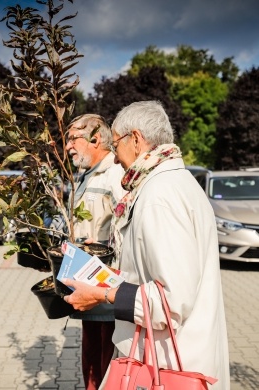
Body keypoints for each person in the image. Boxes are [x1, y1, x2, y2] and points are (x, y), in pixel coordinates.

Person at [62, 101, 230, 389]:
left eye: (115, 146)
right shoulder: (174, 182)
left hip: (167, 366)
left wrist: (103, 296)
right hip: (173, 358)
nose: (114, 159)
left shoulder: (158, 196)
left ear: (136, 140)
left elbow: (170, 303)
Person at [65, 114, 126, 390]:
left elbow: (127, 225)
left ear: (96, 139)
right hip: (86, 281)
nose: (67, 147)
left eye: (72, 139)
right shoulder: (85, 174)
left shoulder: (114, 173)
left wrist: (104, 249)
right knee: (90, 356)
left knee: (106, 359)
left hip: (105, 285)